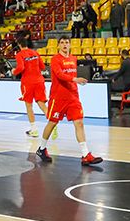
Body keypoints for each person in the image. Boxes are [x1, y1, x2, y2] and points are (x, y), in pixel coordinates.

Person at [29, 37, 103, 166]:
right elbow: (59, 75)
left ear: (70, 45)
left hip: (73, 96)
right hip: (58, 98)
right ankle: (41, 148)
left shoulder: (73, 59)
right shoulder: (55, 59)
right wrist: (75, 79)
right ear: (58, 46)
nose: (64, 45)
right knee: (52, 123)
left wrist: (75, 82)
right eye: (62, 43)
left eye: (67, 42)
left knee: (79, 123)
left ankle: (86, 154)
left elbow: (68, 76)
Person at [13, 35, 49, 137]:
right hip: (39, 81)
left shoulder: (20, 54)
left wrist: (14, 72)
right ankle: (52, 124)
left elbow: (20, 67)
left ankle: (34, 129)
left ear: (19, 45)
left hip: (28, 82)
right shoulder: (35, 53)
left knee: (29, 106)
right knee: (42, 104)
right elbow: (42, 67)